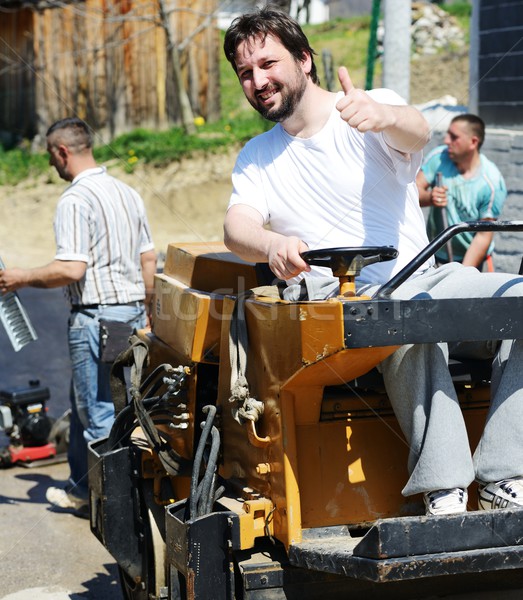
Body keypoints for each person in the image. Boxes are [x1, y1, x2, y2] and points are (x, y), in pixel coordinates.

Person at [222, 7, 523, 516]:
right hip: (341, 308)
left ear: (303, 59)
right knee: (400, 318)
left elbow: (415, 131)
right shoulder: (257, 156)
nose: (258, 80)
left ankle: (505, 474)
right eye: (246, 73)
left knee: (514, 300)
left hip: (424, 277)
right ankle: (445, 486)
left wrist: (386, 117)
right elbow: (237, 227)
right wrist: (270, 244)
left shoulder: (368, 108)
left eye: (268, 64)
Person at [0, 117, 156, 517]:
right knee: (108, 402)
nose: (52, 164)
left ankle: (114, 507)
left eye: (51, 156)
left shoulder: (74, 200)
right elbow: (148, 259)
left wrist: (21, 277)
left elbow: (71, 269)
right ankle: (80, 487)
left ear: (61, 152)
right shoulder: (127, 193)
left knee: (98, 414)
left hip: (95, 320)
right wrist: (151, 315)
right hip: (131, 315)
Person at [416, 114, 507, 268]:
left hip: (469, 259)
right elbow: (412, 193)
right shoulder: (439, 158)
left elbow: (483, 236)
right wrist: (430, 197)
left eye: (454, 137)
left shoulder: (491, 183)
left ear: (473, 142)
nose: (446, 141)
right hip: (434, 254)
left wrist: (462, 274)